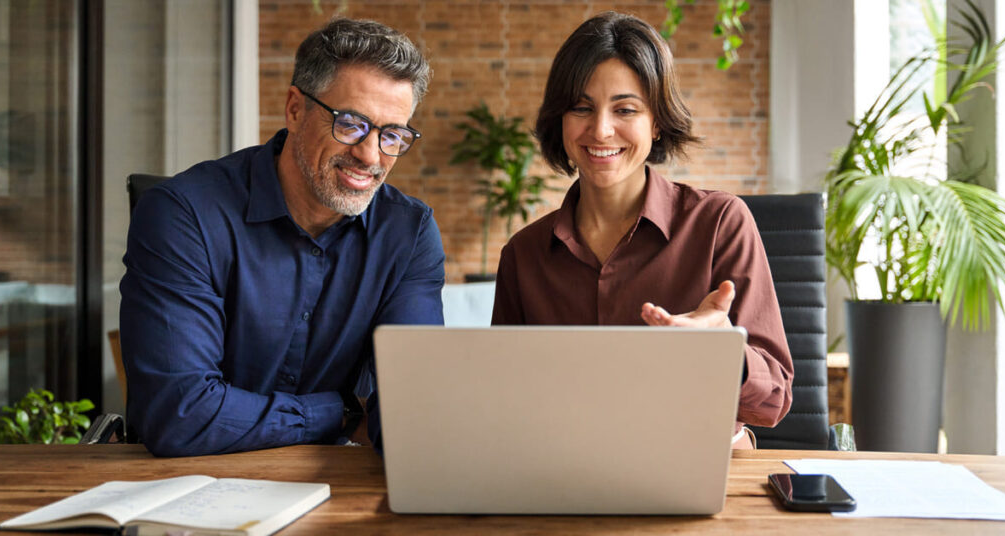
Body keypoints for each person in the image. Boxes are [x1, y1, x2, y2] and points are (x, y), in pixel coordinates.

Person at [120, 18, 443, 457]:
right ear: (294, 109)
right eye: (350, 124)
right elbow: (179, 415)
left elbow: (412, 410)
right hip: (186, 482)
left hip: (333, 482)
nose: (370, 155)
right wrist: (341, 413)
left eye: (392, 136)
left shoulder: (408, 233)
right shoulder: (184, 215)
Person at [491, 12, 792, 448]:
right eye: (581, 108)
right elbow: (504, 400)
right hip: (566, 465)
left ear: (657, 121)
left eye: (625, 109)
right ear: (560, 119)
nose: (600, 130)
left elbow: (774, 400)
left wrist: (723, 351)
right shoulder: (524, 255)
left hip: (700, 463)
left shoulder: (720, 223)